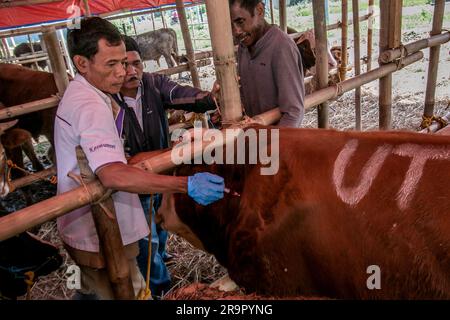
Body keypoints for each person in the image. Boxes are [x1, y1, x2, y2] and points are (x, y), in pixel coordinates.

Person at [54, 17, 224, 300]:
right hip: (99, 228)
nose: (122, 72)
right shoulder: (89, 105)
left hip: (99, 221)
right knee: (124, 289)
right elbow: (112, 173)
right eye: (112, 64)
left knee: (96, 290)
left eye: (125, 62)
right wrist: (186, 184)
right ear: (82, 63)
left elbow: (183, 96)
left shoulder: (95, 91)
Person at [113, 35, 218, 297]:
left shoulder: (152, 83)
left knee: (160, 224)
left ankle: (162, 255)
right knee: (145, 239)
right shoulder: (107, 100)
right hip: (131, 183)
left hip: (161, 173)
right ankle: (160, 287)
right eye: (124, 65)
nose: (132, 71)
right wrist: (170, 153)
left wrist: (208, 97)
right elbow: (124, 162)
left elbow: (179, 94)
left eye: (136, 63)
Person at [229, 0, 305, 128]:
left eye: (240, 21)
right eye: (230, 25)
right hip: (256, 137)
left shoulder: (281, 47)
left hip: (274, 140)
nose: (236, 31)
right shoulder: (244, 46)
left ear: (259, 10)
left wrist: (275, 146)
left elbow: (293, 113)